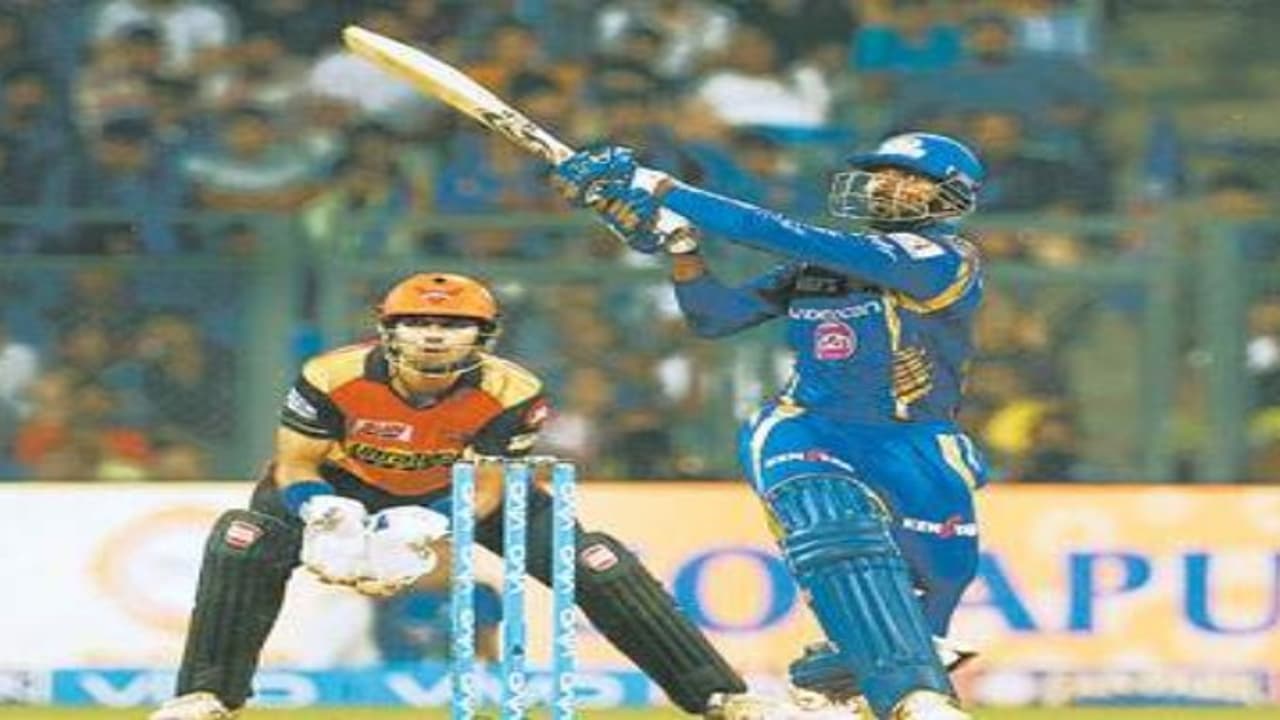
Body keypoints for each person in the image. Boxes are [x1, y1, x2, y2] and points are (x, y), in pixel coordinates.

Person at [150, 272, 787, 720]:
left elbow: (490, 484)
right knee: (242, 539)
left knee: (598, 562)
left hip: (455, 490)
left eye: (454, 325)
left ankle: (720, 697)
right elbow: (294, 462)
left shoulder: (513, 390)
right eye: (417, 322)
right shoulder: (331, 374)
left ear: (484, 334)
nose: (433, 336)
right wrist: (321, 509)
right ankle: (207, 697)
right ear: (387, 329)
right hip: (340, 483)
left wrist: (429, 525)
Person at [552, 131, 989, 720]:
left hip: (915, 438)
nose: (889, 185)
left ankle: (833, 678)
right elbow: (716, 317)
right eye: (884, 173)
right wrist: (682, 247)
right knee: (834, 526)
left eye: (910, 177)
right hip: (810, 428)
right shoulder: (819, 268)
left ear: (952, 195)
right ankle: (914, 697)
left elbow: (782, 233)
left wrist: (660, 187)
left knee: (941, 580)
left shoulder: (945, 258)